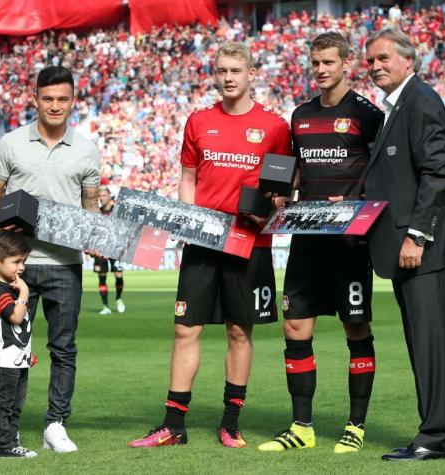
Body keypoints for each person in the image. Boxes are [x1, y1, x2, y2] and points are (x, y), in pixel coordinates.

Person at [128, 42, 292, 449]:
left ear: (251, 73)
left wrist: (270, 211)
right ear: (215, 74)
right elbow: (187, 177)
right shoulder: (199, 121)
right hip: (203, 242)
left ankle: (231, 422)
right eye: (222, 70)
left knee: (239, 331)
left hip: (249, 243)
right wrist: (189, 220)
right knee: (185, 328)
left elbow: (281, 190)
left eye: (236, 70)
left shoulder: (274, 127)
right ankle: (173, 425)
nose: (228, 77)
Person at [258, 32, 384, 454]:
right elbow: (291, 167)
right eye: (315, 63)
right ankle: (302, 427)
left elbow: (382, 173)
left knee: (356, 326)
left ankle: (356, 426)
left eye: (329, 62)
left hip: (349, 241)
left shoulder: (367, 114)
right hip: (307, 236)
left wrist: (355, 201)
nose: (321, 69)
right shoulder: (301, 115)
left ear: (347, 63)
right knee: (295, 326)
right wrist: (278, 192)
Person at [363, 27, 445, 461]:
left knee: (427, 343)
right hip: (411, 247)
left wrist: (416, 236)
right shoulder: (397, 105)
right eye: (371, 61)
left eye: (383, 58)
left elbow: (438, 175)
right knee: (428, 343)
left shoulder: (420, 100)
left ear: (408, 60)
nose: (375, 67)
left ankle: (434, 436)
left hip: (423, 248)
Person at [0, 65, 100, 454]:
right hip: (17, 265)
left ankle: (56, 424)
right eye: (47, 98)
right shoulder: (10, 144)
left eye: (62, 99)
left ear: (73, 101)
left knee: (63, 348)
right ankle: (7, 430)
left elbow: (90, 209)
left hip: (65, 265)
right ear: (34, 99)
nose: (55, 106)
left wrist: (96, 238)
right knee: (11, 351)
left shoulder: (86, 149)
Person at [0, 231, 38, 458]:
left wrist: (26, 354)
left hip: (17, 359)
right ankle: (4, 446)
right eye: (16, 262)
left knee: (16, 405)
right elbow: (15, 317)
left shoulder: (10, 285)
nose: (21, 267)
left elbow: (22, 326)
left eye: (24, 261)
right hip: (4, 361)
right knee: (5, 405)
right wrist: (24, 292)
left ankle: (10, 440)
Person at [94, 186, 126, 315]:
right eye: (99, 196)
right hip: (100, 249)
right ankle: (106, 306)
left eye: (103, 195)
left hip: (115, 248)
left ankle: (118, 298)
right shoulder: (96, 212)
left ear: (109, 196)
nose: (101, 198)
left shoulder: (117, 211)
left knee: (119, 275)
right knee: (102, 277)